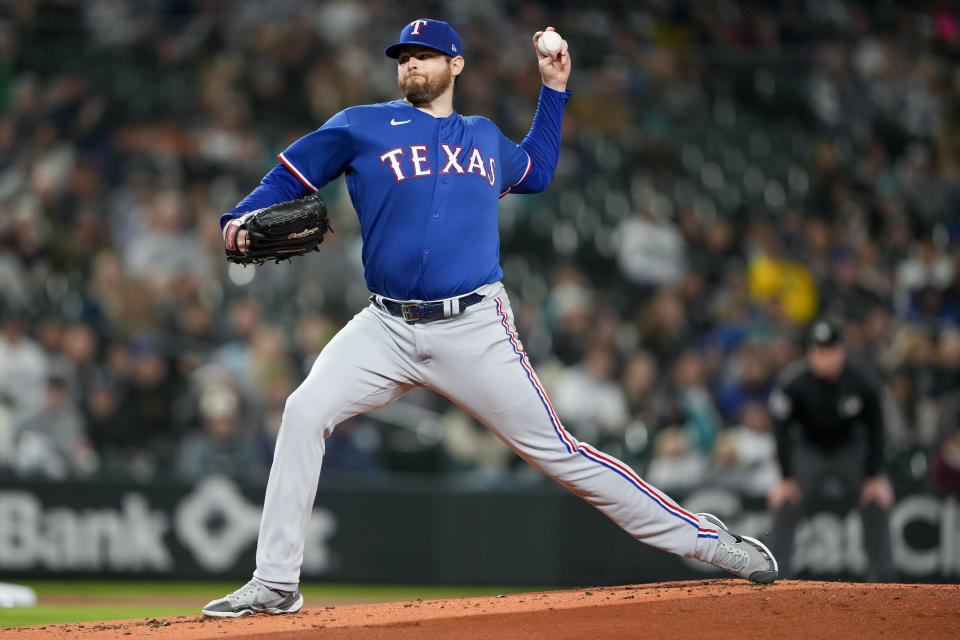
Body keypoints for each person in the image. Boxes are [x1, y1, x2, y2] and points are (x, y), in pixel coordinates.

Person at [202, 19, 777, 618]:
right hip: (385, 327)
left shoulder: (483, 137)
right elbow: (287, 177)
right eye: (404, 57)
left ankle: (709, 541)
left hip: (474, 327)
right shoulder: (361, 124)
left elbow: (539, 170)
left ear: (456, 66)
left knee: (563, 453)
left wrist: (554, 90)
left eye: (425, 56)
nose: (411, 66)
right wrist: (238, 218)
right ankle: (275, 583)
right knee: (302, 412)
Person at [767, 319, 895, 581]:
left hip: (849, 450)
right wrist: (785, 477)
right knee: (785, 501)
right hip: (810, 450)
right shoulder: (794, 383)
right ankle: (777, 576)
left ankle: (882, 579)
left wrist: (874, 475)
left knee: (875, 499)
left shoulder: (862, 381)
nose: (822, 357)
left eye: (828, 351)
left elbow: (876, 430)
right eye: (816, 351)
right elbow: (781, 431)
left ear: (841, 351)